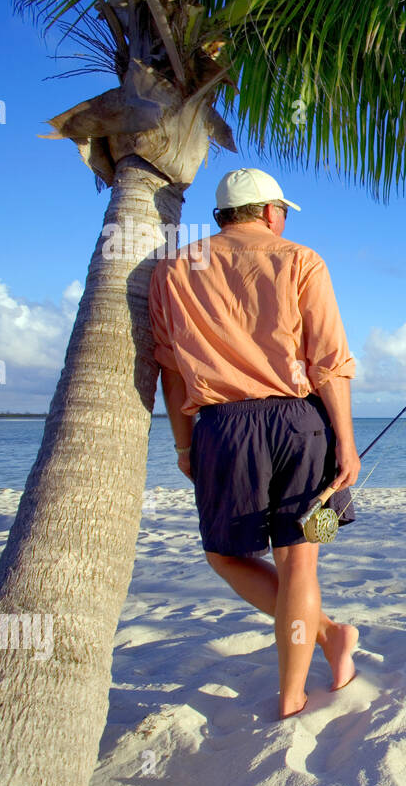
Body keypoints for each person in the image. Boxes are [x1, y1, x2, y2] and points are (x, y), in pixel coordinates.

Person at [149, 167, 361, 720]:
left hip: (222, 426)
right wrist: (346, 442)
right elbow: (329, 363)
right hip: (301, 421)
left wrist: (184, 445)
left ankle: (317, 660)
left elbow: (171, 371)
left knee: (226, 555)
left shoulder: (175, 268)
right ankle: (321, 651)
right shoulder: (300, 258)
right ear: (270, 212)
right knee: (298, 562)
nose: (284, 220)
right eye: (283, 211)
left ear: (222, 215)